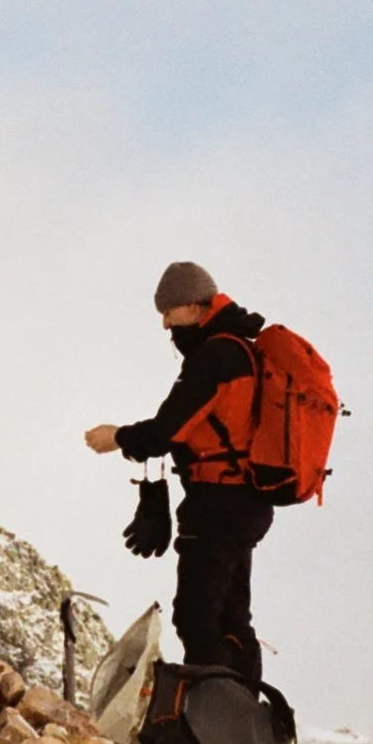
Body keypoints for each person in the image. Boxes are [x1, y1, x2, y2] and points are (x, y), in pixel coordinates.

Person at [84, 261, 274, 684]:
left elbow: (165, 430)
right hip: (247, 500)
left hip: (217, 503)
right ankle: (244, 721)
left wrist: (115, 437)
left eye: (168, 312)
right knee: (232, 617)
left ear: (192, 305)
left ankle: (216, 724)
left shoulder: (214, 357)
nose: (166, 324)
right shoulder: (244, 349)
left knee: (195, 616)